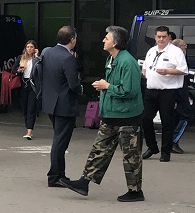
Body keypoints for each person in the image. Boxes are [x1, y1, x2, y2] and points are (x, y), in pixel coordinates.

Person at [63, 26, 145, 201]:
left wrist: (107, 87)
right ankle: (84, 182)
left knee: (131, 155)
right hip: (111, 114)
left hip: (127, 117)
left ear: (115, 42)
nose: (103, 40)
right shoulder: (111, 59)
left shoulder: (127, 62)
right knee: (99, 149)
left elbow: (129, 90)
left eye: (106, 37)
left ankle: (135, 191)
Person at [41, 26, 82, 187]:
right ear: (72, 40)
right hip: (64, 105)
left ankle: (58, 174)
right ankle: (55, 175)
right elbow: (73, 84)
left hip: (51, 102)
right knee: (60, 141)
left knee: (58, 139)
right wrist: (81, 88)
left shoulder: (48, 53)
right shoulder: (68, 58)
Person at [140, 25, 188, 162]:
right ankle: (152, 147)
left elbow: (183, 70)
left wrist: (167, 71)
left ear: (168, 38)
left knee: (167, 122)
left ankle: (165, 151)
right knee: (145, 118)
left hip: (168, 91)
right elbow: (145, 68)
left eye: (164, 37)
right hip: (151, 89)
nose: (161, 39)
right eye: (159, 37)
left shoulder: (175, 52)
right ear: (155, 37)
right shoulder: (151, 51)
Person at [17, 40, 40, 140]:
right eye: (28, 47)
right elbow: (14, 70)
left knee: (31, 108)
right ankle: (28, 127)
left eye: (31, 47)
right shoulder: (21, 58)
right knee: (25, 108)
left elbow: (41, 69)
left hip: (33, 85)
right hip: (23, 84)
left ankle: (29, 131)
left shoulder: (37, 60)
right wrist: (19, 70)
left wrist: (37, 56)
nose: (29, 49)